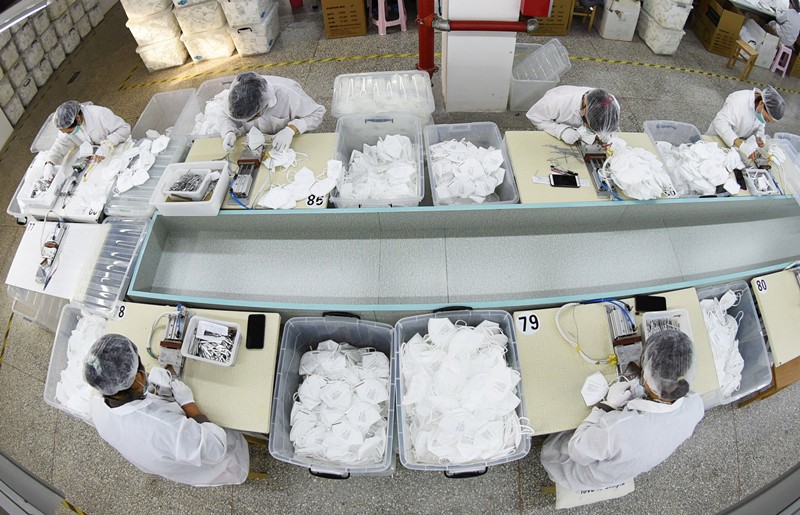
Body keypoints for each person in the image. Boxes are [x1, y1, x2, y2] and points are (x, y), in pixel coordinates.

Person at [540, 330, 704, 491]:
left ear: (647, 375)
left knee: (560, 436)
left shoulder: (617, 430)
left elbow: (576, 451)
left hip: (576, 471)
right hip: (625, 466)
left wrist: (605, 406)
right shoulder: (696, 406)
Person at [83, 334, 249, 487]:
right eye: (140, 368)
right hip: (218, 463)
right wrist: (188, 403)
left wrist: (156, 393)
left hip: (158, 459)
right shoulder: (164, 429)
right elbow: (216, 447)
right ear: (134, 382)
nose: (144, 371)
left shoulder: (96, 405)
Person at [219, 72, 325, 153]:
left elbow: (317, 114)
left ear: (263, 108)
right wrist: (229, 132)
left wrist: (291, 130)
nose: (247, 121)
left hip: (289, 144)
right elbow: (226, 116)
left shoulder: (288, 93)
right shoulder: (236, 95)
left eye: (251, 118)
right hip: (256, 146)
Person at [43, 100, 131, 181]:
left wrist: (108, 144)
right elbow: (60, 144)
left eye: (70, 131)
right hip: (98, 160)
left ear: (78, 118)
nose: (68, 134)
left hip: (117, 151)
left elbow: (124, 128)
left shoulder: (100, 114)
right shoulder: (67, 126)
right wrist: (49, 163)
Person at [707, 86, 786, 158]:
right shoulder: (739, 101)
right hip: (717, 139)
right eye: (766, 119)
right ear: (761, 103)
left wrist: (759, 136)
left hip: (736, 146)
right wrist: (740, 144)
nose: (765, 121)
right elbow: (720, 122)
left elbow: (761, 125)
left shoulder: (761, 108)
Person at [526, 86, 620, 145]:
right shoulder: (556, 101)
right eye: (589, 126)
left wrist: (606, 134)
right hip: (554, 127)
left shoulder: (611, 103)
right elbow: (535, 117)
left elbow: (609, 123)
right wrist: (561, 131)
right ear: (583, 111)